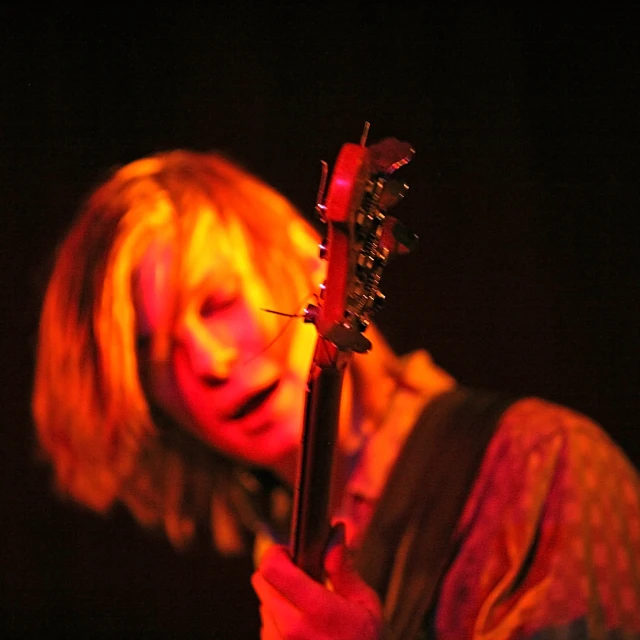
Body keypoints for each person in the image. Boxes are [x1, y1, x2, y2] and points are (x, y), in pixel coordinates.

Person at [32, 149, 640, 638]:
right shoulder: (281, 548)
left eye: (217, 303)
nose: (211, 363)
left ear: (306, 267)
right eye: (155, 352)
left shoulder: (540, 464)